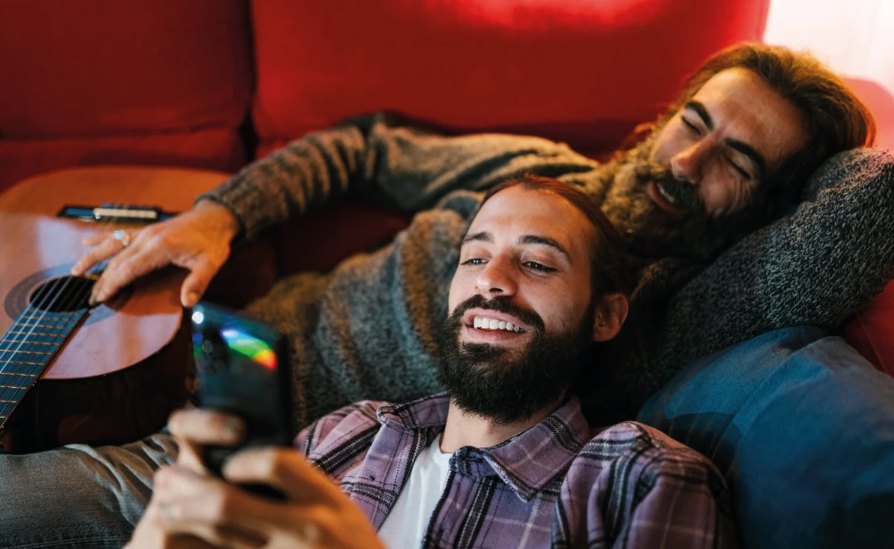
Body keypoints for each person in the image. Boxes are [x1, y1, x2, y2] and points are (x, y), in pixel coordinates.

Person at [0, 42, 889, 548]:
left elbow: (867, 208)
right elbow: (362, 147)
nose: (688, 163)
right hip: (194, 329)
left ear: (771, 206)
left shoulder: (664, 313)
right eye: (694, 124)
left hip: (257, 452)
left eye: (736, 161)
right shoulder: (530, 164)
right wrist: (217, 214)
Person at [126, 176, 736, 549]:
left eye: (538, 264)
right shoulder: (351, 432)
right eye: (474, 259)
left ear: (605, 317)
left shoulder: (637, 477)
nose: (491, 282)